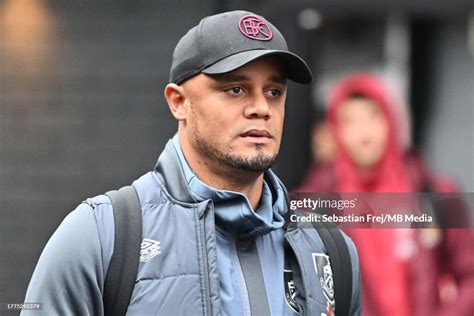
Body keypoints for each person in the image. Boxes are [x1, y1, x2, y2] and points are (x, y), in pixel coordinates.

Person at [22, 11, 361, 315]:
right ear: (179, 102)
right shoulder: (101, 238)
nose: (262, 108)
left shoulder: (331, 251)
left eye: (274, 91)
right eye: (236, 89)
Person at [298, 73, 474, 315]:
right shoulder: (315, 206)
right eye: (350, 121)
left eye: (373, 117)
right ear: (335, 130)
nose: (364, 134)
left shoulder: (438, 193)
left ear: (392, 121)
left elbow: (470, 276)